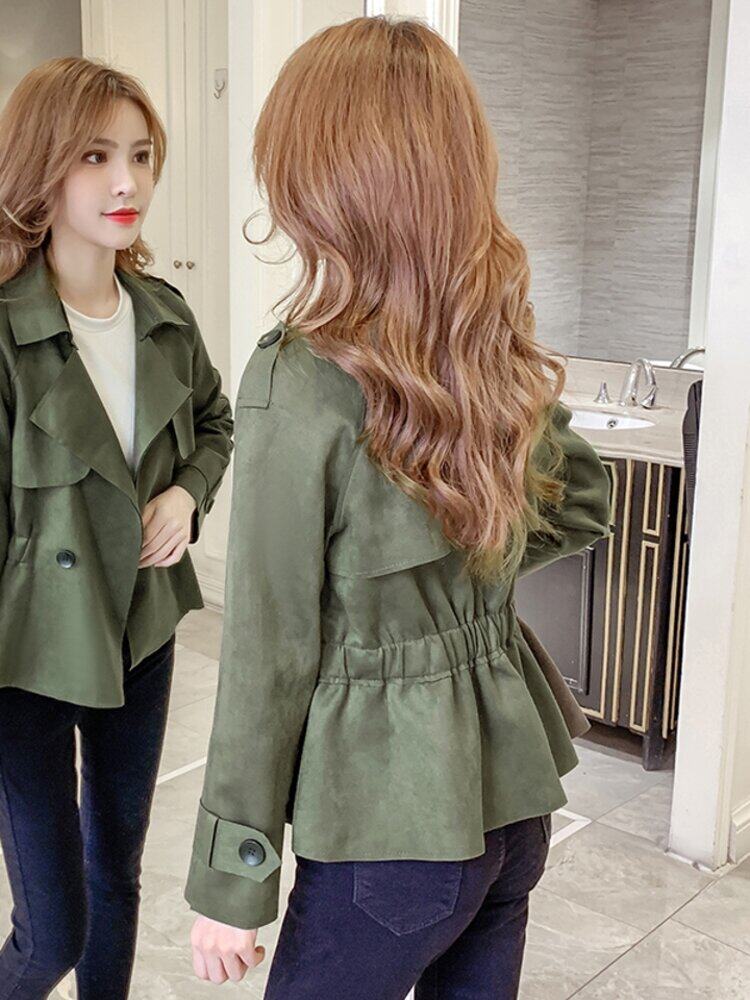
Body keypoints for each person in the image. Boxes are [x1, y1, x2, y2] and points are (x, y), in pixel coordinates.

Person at [184, 15, 611, 1000]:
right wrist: (464, 545)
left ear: (320, 181)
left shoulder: (297, 377)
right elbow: (583, 501)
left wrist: (232, 879)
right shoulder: (485, 352)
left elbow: (270, 651)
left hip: (387, 826)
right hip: (512, 803)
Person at [0, 57, 233, 999]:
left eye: (140, 155)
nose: (126, 181)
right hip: (27, 656)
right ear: (41, 166)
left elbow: (215, 423)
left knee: (118, 875)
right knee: (52, 929)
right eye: (95, 156)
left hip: (142, 629)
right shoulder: (6, 333)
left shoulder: (164, 315)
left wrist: (186, 495)